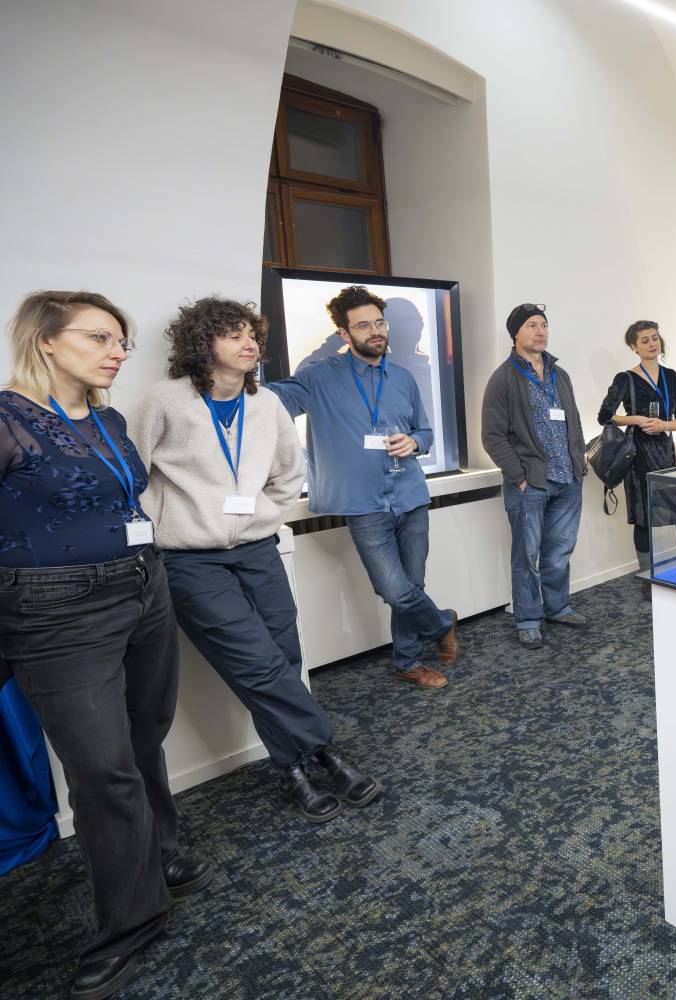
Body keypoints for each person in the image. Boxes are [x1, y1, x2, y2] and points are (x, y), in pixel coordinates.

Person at [0, 291, 215, 1000]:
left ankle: (160, 856)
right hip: (55, 613)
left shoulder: (109, 418)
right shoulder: (6, 418)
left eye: (121, 340)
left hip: (143, 587)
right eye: (99, 338)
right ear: (45, 341)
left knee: (145, 735)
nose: (117, 351)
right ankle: (132, 921)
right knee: (102, 768)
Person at [135, 296, 381, 824]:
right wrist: (163, 526)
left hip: (257, 548)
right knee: (255, 662)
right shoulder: (165, 401)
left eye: (252, 335)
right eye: (234, 335)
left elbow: (290, 472)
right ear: (203, 343)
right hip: (190, 560)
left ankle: (291, 767)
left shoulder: (266, 403)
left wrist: (263, 516)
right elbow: (131, 475)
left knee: (284, 655)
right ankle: (324, 751)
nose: (248, 344)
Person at [267, 286, 458, 689]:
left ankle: (408, 661)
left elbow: (425, 430)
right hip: (363, 504)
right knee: (395, 590)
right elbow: (270, 402)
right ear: (343, 333)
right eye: (363, 325)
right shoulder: (318, 377)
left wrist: (415, 442)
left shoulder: (403, 377)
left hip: (410, 494)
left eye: (379, 323)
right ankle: (443, 623)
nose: (376, 331)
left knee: (413, 585)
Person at [481, 303, 588, 649]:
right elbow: (493, 436)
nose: (540, 331)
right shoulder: (503, 379)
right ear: (515, 334)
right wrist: (519, 476)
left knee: (559, 551)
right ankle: (527, 619)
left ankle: (557, 607)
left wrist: (579, 464)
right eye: (531, 325)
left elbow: (574, 422)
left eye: (544, 324)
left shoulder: (560, 375)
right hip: (530, 485)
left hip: (568, 480)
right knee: (527, 557)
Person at [597, 321, 676, 600]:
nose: (652, 343)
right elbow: (605, 416)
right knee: (643, 518)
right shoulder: (626, 379)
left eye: (655, 338)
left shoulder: (673, 377)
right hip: (638, 454)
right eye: (644, 340)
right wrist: (637, 420)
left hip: (665, 452)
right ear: (634, 347)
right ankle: (648, 578)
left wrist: (665, 425)